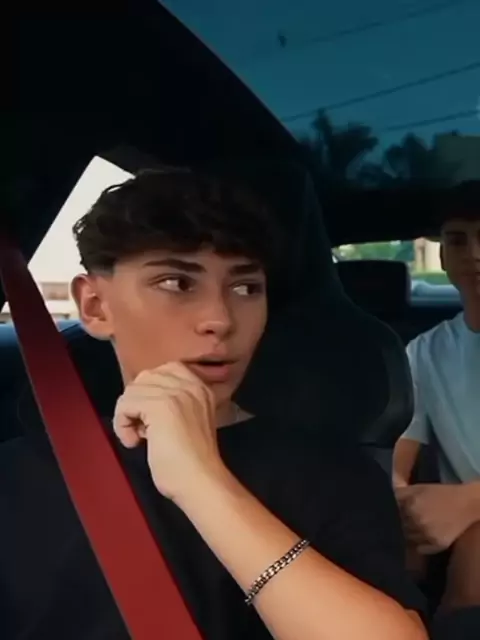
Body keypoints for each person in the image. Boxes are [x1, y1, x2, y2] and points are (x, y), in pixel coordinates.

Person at [1, 168, 427, 640]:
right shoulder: (15, 478)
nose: (220, 319)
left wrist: (200, 479)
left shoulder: (334, 476)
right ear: (96, 306)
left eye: (246, 288)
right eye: (176, 283)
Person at [393, 181, 480, 616]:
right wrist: (402, 506)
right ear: (442, 255)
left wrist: (470, 501)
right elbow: (396, 456)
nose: (475, 254)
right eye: (458, 240)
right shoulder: (424, 352)